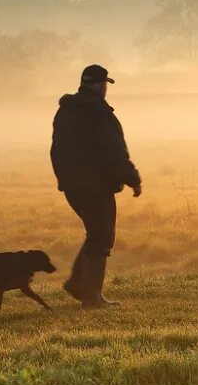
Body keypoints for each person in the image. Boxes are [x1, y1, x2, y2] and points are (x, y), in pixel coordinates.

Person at [50, 64, 141, 308]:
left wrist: (65, 179)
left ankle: (78, 285)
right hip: (96, 186)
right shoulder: (100, 114)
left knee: (95, 234)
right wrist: (133, 179)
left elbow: (56, 149)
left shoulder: (65, 112)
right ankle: (91, 295)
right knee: (102, 236)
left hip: (72, 186)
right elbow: (115, 152)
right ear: (102, 86)